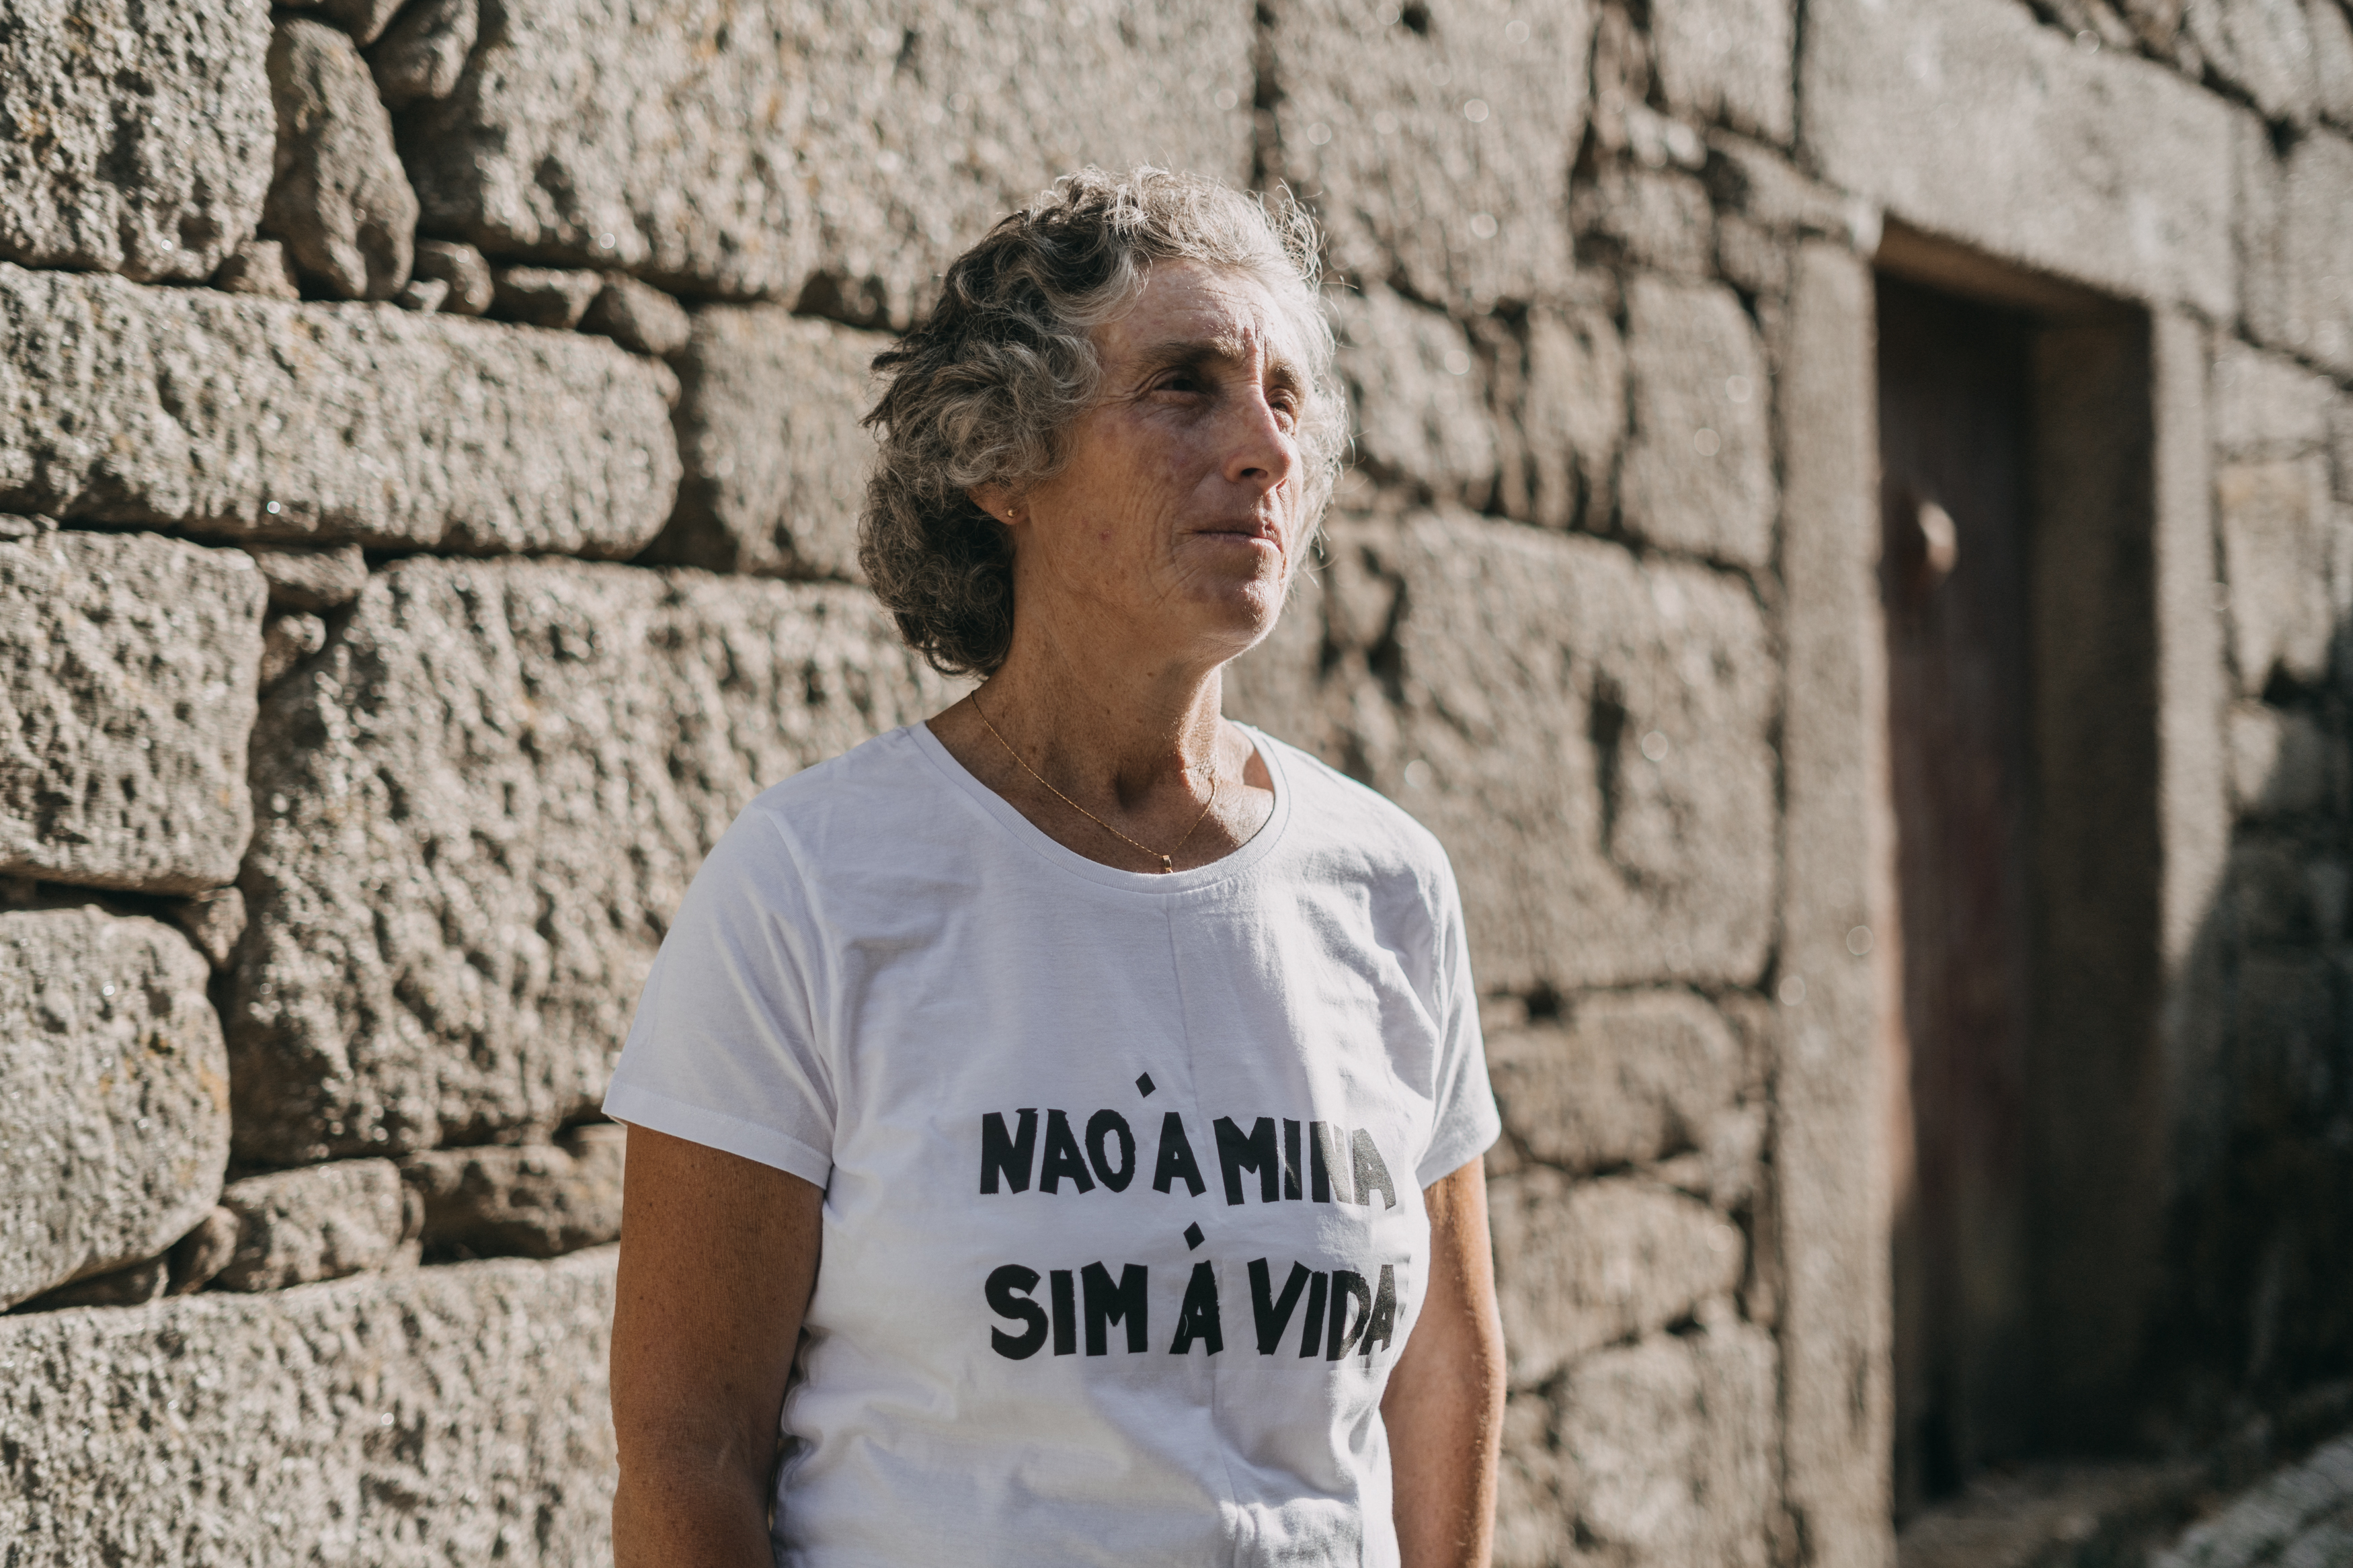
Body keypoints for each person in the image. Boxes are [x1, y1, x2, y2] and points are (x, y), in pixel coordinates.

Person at [604, 166, 1505, 1568]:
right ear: (1000, 459)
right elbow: (686, 1446)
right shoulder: (814, 886)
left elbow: (1443, 1367)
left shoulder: (1386, 885)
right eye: (1184, 387)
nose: (1262, 446)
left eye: (1284, 396)